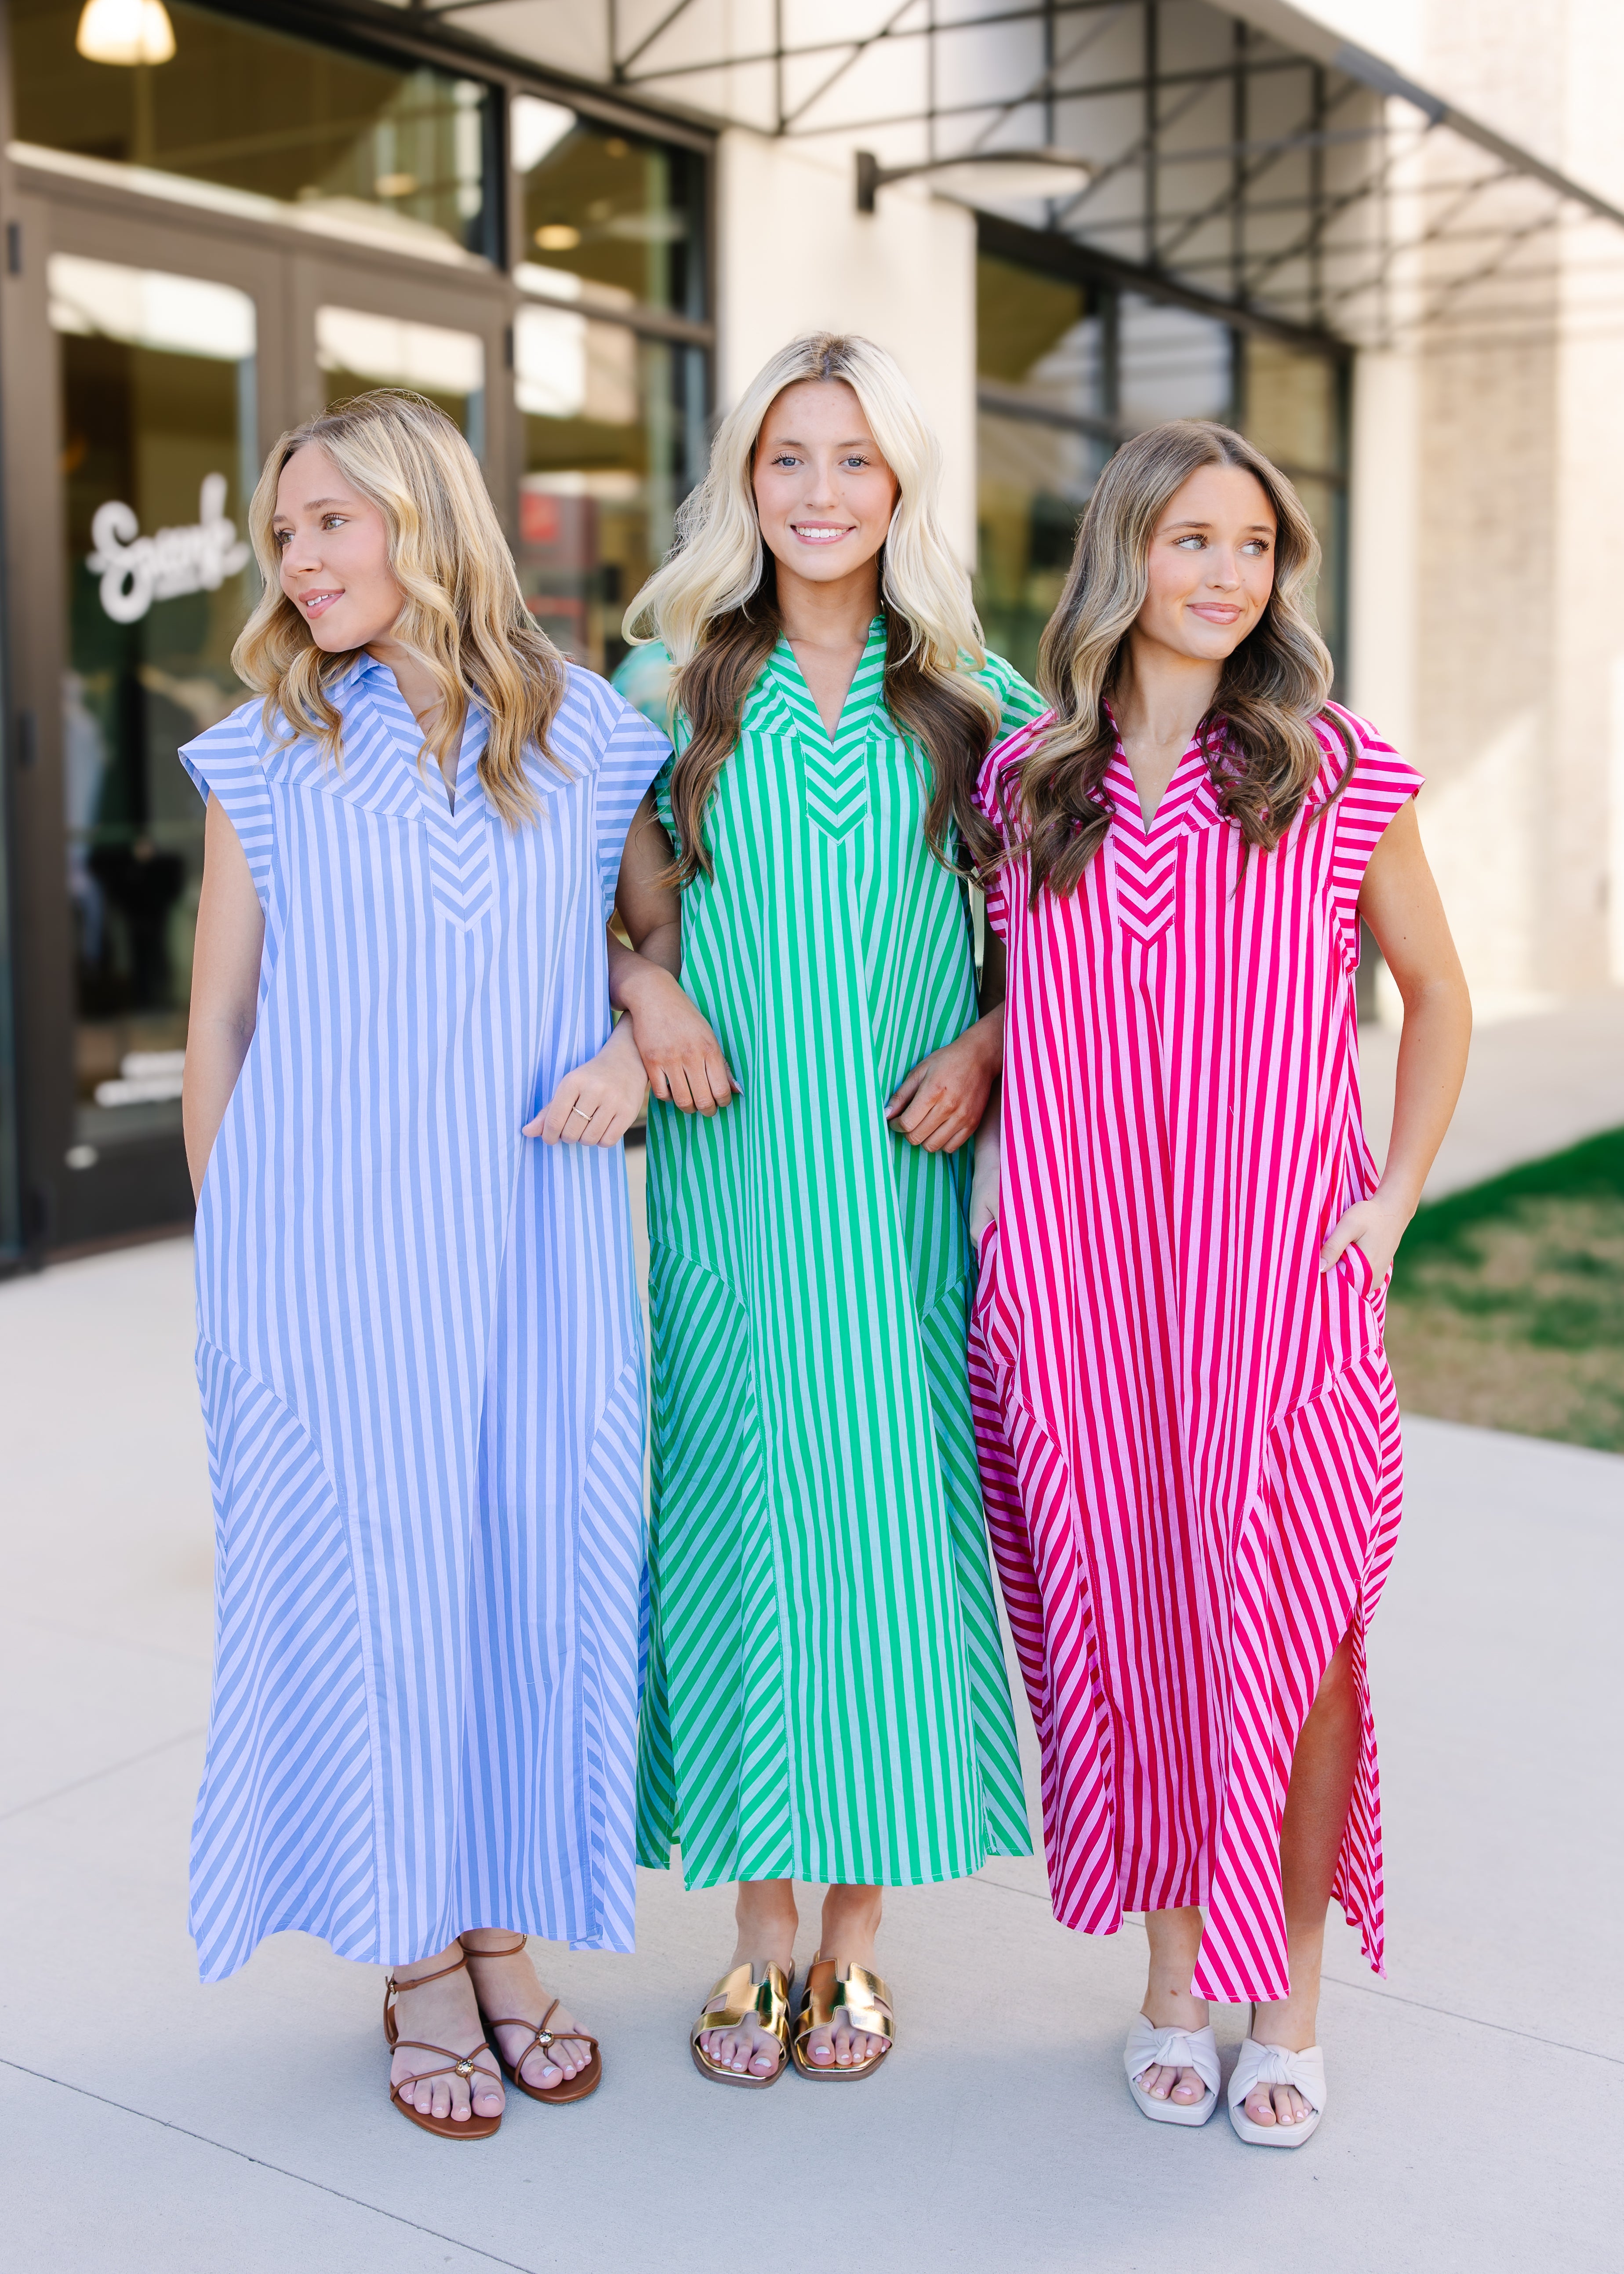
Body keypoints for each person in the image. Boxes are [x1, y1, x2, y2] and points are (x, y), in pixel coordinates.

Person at [969, 420, 1470, 2147]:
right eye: (1193, 538)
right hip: (1084, 1289)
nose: (1228, 574)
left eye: (1254, 545)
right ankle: (1176, 1982)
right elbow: (1028, 1006)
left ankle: (1293, 2003)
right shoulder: (1028, 782)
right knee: (1139, 1634)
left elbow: (1437, 993)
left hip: (1277, 1283)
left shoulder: (1333, 767)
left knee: (1302, 1635)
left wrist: (1392, 1201)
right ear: (1123, 551)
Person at [179, 389, 672, 2139]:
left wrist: (637, 1037)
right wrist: (235, 1276)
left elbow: (652, 932)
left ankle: (501, 1926)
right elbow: (219, 1025)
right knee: (379, 1595)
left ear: (427, 518)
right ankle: (415, 1959)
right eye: (284, 532)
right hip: (326, 1266)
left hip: (537, 1251)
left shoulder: (589, 730)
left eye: (331, 521)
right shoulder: (266, 750)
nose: (300, 560)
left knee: (529, 1580)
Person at [607, 332, 1043, 2086]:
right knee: (738, 1524)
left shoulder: (979, 701)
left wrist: (989, 1046)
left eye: (855, 458)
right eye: (788, 456)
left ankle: (853, 1936)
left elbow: (1062, 938)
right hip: (729, 1179)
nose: (820, 490)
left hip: (895, 1185)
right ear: (744, 478)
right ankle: (756, 1929)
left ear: (903, 483)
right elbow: (603, 912)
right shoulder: (667, 686)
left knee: (883, 1538)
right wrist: (649, 995)